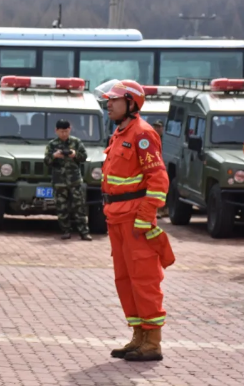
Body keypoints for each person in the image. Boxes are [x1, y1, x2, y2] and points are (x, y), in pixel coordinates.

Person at [99, 79, 175, 362]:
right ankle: (138, 335)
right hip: (116, 218)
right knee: (125, 280)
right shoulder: (119, 133)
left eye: (115, 100)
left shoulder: (143, 134)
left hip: (134, 220)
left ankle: (152, 342)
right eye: (108, 99)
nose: (109, 103)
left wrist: (145, 218)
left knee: (144, 279)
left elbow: (158, 180)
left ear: (131, 103)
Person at [44, 119, 92, 241]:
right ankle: (66, 231)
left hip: (74, 180)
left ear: (69, 129)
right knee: (62, 207)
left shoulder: (76, 142)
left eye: (66, 131)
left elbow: (84, 157)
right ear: (56, 131)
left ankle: (84, 232)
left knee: (79, 207)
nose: (64, 134)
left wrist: (75, 154)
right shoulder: (52, 144)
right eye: (61, 132)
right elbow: (46, 162)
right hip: (59, 181)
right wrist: (54, 156)